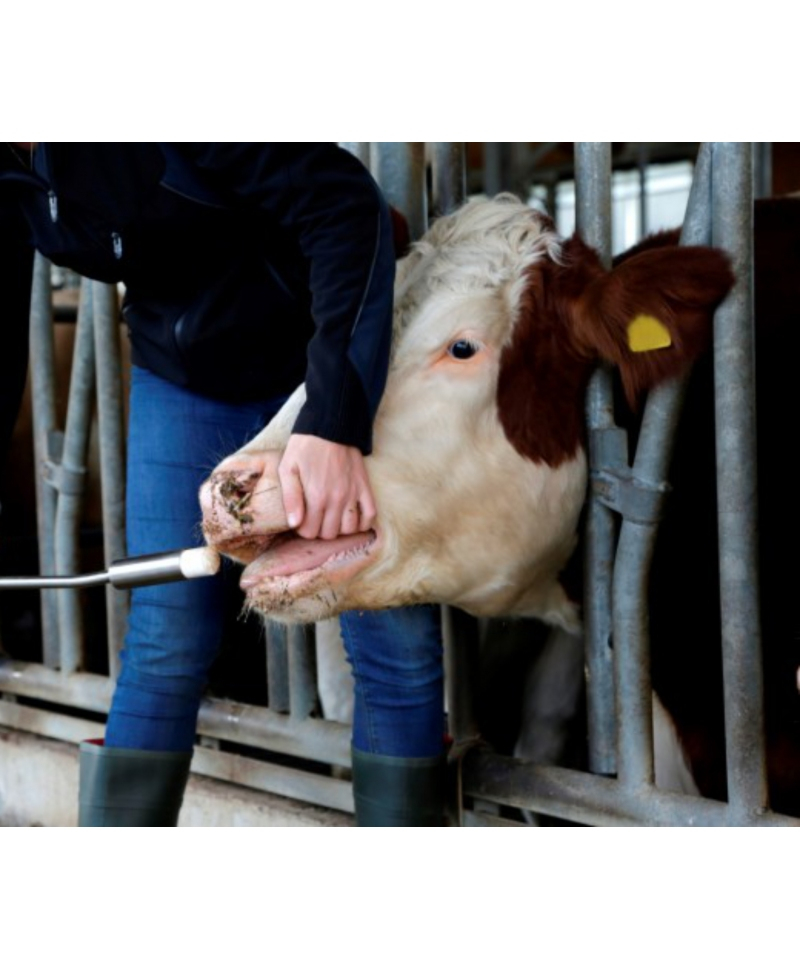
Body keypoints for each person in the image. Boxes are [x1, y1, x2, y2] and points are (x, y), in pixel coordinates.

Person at [0, 143, 445, 826]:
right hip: (182, 376)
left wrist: (334, 420)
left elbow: (345, 205)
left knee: (392, 638)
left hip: (321, 361)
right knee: (166, 638)